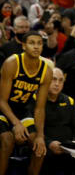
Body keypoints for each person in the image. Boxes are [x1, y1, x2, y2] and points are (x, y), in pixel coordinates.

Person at [0, 30, 52, 175]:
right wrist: (16, 124)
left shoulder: (46, 71)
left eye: (39, 43)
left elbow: (40, 108)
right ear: (23, 46)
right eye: (32, 43)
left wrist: (41, 136)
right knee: (7, 139)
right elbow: (2, 100)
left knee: (39, 146)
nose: (36, 47)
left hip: (22, 109)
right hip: (3, 107)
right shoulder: (12, 63)